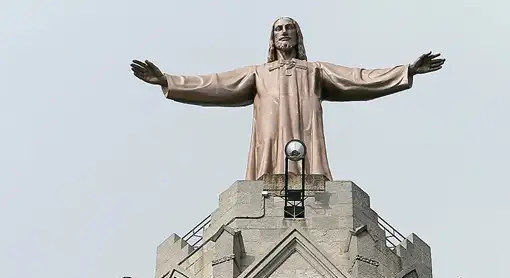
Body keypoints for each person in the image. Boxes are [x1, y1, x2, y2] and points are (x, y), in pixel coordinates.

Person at [131, 17, 445, 180]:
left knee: (307, 163)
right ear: (272, 38)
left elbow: (357, 78)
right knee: (269, 163)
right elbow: (215, 83)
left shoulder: (315, 71)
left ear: (297, 36)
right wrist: (168, 80)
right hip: (269, 139)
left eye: (289, 28)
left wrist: (406, 71)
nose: (284, 33)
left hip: (306, 134)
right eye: (278, 28)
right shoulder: (259, 72)